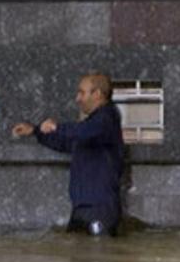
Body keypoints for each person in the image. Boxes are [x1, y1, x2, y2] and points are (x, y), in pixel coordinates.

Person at [12, 73, 124, 236]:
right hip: (81, 208)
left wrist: (56, 127)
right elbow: (67, 143)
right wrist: (35, 131)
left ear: (98, 94)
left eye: (82, 92)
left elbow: (82, 131)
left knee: (98, 257)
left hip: (100, 210)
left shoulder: (107, 118)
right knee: (76, 256)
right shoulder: (90, 126)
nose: (77, 98)